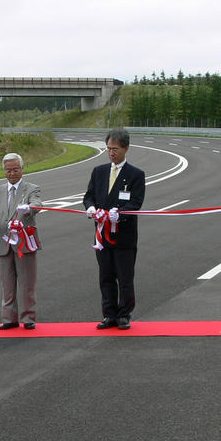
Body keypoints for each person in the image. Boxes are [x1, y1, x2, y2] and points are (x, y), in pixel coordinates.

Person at [83, 129, 145, 330]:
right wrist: (90, 207)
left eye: (115, 149)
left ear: (126, 148)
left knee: (125, 277)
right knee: (106, 276)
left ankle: (124, 313)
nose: (111, 153)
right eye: (109, 149)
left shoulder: (135, 174)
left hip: (124, 237)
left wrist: (121, 214)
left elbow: (136, 203)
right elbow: (89, 195)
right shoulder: (99, 172)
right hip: (102, 235)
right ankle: (109, 314)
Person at [0, 153, 42, 329]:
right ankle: (9, 318)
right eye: (8, 170)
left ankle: (28, 318)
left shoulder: (32, 188)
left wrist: (29, 208)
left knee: (27, 283)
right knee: (7, 284)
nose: (12, 173)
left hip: (24, 243)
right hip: (2, 243)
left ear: (22, 169)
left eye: (15, 169)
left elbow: (37, 204)